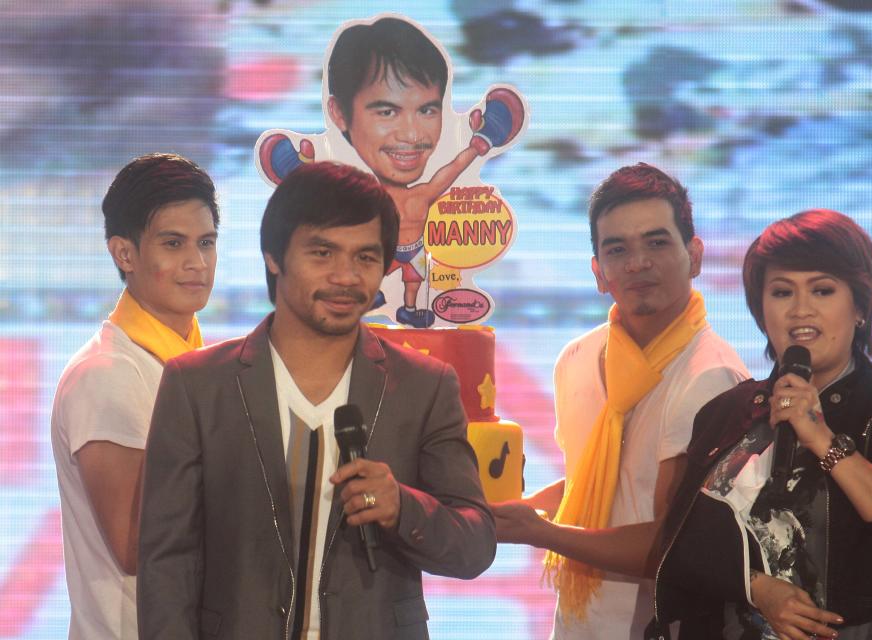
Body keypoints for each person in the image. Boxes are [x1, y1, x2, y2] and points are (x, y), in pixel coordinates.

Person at [136, 161, 496, 640]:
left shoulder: (424, 387)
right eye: (323, 253)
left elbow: (475, 544)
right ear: (274, 256)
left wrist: (401, 507)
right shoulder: (198, 385)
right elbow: (167, 565)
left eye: (366, 258)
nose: (346, 277)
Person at [647, 209, 872, 640]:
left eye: (823, 290)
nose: (800, 310)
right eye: (781, 292)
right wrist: (758, 589)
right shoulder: (725, 412)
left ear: (860, 308)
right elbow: (679, 544)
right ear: (761, 309)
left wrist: (823, 439)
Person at [492, 163, 749, 638]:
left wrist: (541, 532)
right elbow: (601, 480)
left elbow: (675, 543)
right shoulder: (577, 357)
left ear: (695, 256)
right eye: (617, 249)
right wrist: (519, 509)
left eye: (657, 242)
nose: (637, 263)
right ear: (598, 271)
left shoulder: (712, 377)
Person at [258, 16, 524, 327]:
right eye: (387, 111)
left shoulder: (420, 196)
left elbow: (450, 172)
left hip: (415, 259)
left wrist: (481, 143)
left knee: (414, 281)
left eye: (427, 110)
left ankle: (410, 308)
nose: (411, 135)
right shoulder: (351, 202)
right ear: (339, 114)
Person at [50, 153, 219, 639]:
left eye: (206, 243)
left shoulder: (192, 363)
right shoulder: (107, 375)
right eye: (173, 244)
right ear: (124, 254)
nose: (196, 263)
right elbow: (134, 544)